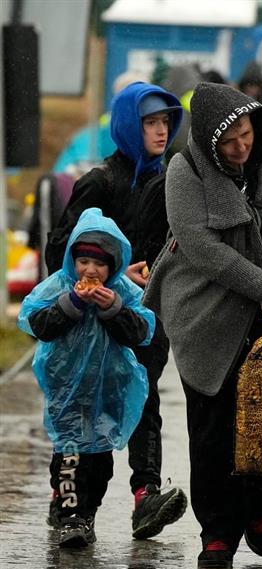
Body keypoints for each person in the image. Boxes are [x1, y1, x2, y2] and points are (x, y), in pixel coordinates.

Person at [142, 82, 262, 569]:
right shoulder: (183, 173)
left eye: (246, 135)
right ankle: (217, 531)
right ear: (210, 140)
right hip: (208, 308)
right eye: (229, 142)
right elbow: (204, 249)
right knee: (212, 422)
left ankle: (258, 510)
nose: (241, 147)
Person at [44, 81, 188, 540]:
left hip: (145, 317)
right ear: (129, 125)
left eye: (166, 121)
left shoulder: (171, 183)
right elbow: (59, 252)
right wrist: (114, 276)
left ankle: (145, 496)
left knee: (144, 399)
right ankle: (71, 503)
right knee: (89, 411)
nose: (161, 131)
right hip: (91, 323)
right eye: (150, 122)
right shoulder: (100, 182)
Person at [19, 207, 156, 548]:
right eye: (83, 262)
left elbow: (141, 332)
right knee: (69, 456)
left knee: (98, 461)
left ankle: (87, 512)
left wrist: (114, 309)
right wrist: (71, 305)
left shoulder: (123, 291)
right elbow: (39, 325)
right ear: (72, 260)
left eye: (99, 264)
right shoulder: (59, 288)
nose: (91, 271)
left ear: (112, 266)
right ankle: (71, 516)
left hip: (108, 388)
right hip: (66, 389)